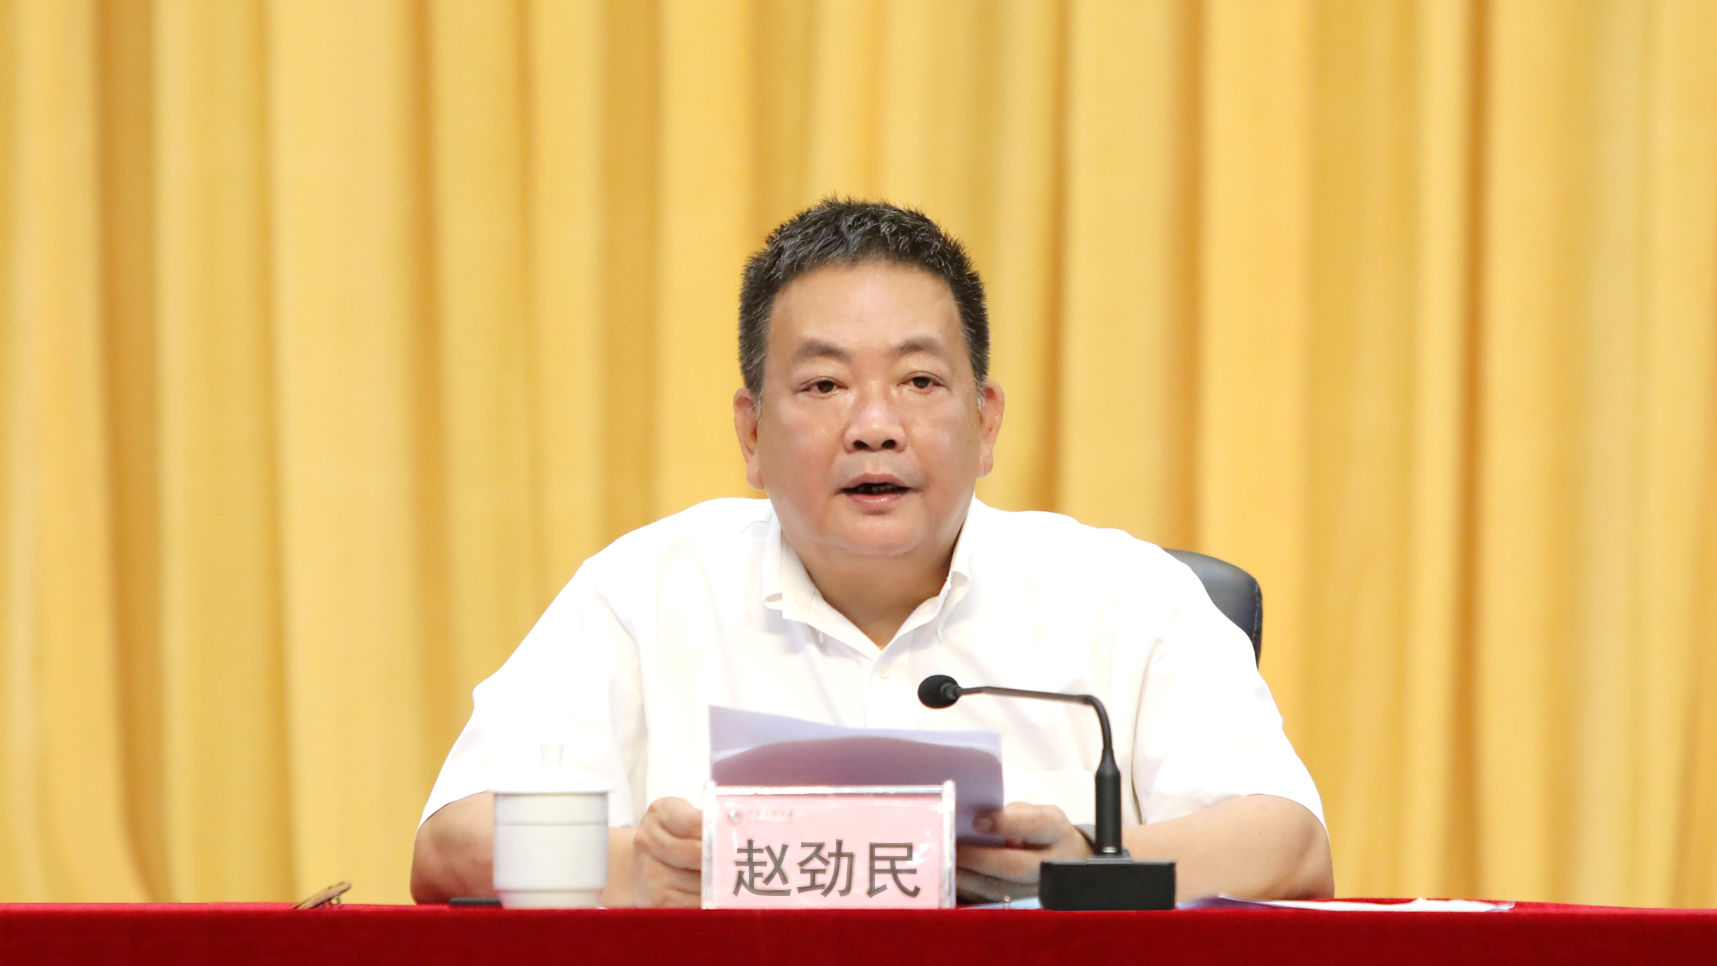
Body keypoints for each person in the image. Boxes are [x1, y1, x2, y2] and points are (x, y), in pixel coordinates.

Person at [410, 200, 1334, 906]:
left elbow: (1289, 844)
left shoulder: (1123, 596)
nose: (875, 426)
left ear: (986, 421)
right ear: (751, 433)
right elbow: (453, 845)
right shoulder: (645, 591)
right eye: (824, 385)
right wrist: (632, 867)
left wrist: (1089, 866)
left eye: (920, 380)